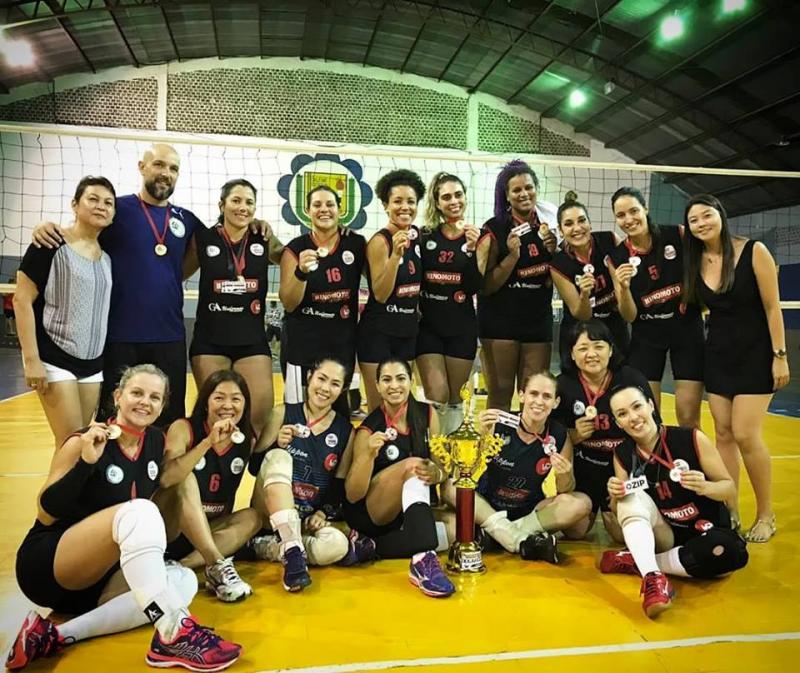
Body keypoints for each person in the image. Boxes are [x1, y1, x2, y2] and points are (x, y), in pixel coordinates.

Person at [6, 364, 241, 671]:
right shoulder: (85, 440)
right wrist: (85, 464)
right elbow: (47, 511)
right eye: (137, 393)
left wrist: (210, 440)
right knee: (141, 511)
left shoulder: (155, 442)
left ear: (162, 405)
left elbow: (175, 477)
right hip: (51, 566)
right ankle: (173, 632)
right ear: (118, 396)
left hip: (100, 581)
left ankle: (53, 635)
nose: (146, 402)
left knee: (181, 582)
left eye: (155, 397)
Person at [31, 145, 204, 426]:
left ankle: (161, 471)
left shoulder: (186, 219)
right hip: (118, 337)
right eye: (159, 164)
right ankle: (112, 471)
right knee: (113, 419)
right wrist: (47, 227)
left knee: (168, 420)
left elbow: (213, 246)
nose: (165, 173)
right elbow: (81, 233)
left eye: (173, 168)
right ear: (142, 166)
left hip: (169, 336)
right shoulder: (116, 209)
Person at [683, 194, 789, 542]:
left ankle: (765, 514)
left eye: (706, 215)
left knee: (745, 434)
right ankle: (730, 511)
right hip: (717, 356)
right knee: (724, 435)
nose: (701, 223)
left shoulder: (753, 251)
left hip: (756, 354)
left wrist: (780, 355)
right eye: (694, 219)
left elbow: (773, 308)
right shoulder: (694, 261)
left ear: (721, 215)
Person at [603, 385, 748, 618]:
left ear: (651, 405)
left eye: (637, 406)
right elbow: (620, 510)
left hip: (706, 531)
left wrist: (705, 486)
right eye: (622, 414)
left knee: (730, 554)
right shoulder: (623, 454)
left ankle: (640, 561)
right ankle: (652, 577)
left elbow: (728, 487)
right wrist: (616, 495)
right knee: (630, 497)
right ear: (618, 423)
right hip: (666, 534)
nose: (633, 418)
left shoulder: (690, 438)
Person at [246, 358, 369, 592]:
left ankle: (269, 547)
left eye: (334, 384)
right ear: (309, 377)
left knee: (337, 546)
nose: (324, 388)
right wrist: (275, 444)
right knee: (279, 458)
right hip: (268, 512)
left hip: (304, 522)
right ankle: (291, 549)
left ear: (342, 390)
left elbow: (338, 486)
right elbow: (255, 468)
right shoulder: (282, 413)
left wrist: (324, 512)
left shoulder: (345, 431)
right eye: (321, 379)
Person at [442, 371, 591, 563]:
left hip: (529, 511)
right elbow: (466, 473)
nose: (539, 401)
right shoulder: (498, 424)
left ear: (556, 402)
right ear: (521, 395)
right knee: (450, 486)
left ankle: (502, 536)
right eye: (533, 394)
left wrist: (563, 473)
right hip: (487, 507)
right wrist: (481, 436)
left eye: (547, 396)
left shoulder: (559, 436)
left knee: (582, 503)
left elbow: (565, 489)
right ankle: (521, 540)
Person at [14, 177, 115, 448]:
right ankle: (51, 493)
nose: (101, 206)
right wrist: (31, 359)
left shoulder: (106, 257)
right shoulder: (49, 243)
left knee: (82, 443)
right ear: (75, 204)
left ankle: (75, 492)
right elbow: (21, 300)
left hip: (92, 364)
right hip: (55, 359)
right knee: (69, 444)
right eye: (92, 199)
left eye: (108, 203)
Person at [343, 358, 455, 598]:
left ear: (411, 381)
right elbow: (353, 494)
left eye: (400, 378)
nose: (394, 385)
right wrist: (368, 456)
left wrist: (438, 473)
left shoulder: (427, 413)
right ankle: (423, 559)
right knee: (414, 466)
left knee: (456, 530)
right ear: (377, 385)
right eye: (386, 379)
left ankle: (372, 547)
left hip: (408, 514)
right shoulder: (368, 428)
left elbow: (443, 467)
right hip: (374, 512)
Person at [186, 178, 283, 436]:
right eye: (236, 200)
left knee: (259, 420)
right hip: (210, 342)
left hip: (251, 342)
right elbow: (177, 273)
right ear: (222, 204)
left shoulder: (263, 238)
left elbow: (290, 257)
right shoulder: (204, 239)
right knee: (214, 419)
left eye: (249, 202)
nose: (243, 207)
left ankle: (253, 471)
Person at [159, 369, 261, 603]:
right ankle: (216, 562)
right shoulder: (184, 428)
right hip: (172, 527)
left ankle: (181, 567)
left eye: (236, 399)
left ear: (245, 404)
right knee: (185, 476)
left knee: (253, 517)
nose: (228, 405)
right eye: (219, 398)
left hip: (207, 530)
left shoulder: (247, 439)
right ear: (205, 403)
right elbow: (167, 479)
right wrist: (207, 443)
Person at [608, 187, 704, 427]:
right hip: (647, 334)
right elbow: (629, 315)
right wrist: (624, 287)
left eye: (633, 211)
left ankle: (694, 463)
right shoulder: (617, 258)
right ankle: (655, 463)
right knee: (648, 415)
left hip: (686, 328)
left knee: (688, 415)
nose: (629, 220)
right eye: (621, 215)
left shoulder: (678, 235)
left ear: (645, 209)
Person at [554, 320, 656, 542]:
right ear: (571, 354)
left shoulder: (631, 379)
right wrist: (574, 434)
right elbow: (550, 440)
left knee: (620, 534)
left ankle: (620, 507)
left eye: (598, 346)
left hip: (622, 469)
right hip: (585, 469)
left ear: (611, 350)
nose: (591, 354)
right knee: (575, 530)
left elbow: (654, 431)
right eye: (582, 348)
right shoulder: (563, 385)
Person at [477, 160, 558, 411]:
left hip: (537, 321)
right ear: (507, 196)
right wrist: (511, 257)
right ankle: (494, 450)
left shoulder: (550, 227)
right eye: (517, 190)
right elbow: (486, 286)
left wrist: (555, 253)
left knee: (535, 397)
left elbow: (554, 275)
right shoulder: (494, 228)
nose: (524, 194)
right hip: (500, 322)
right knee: (500, 396)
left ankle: (529, 450)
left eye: (529, 187)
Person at [280, 186, 366, 412]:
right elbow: (288, 303)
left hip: (341, 344)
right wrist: (301, 272)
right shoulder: (295, 248)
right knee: (298, 414)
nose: (324, 209)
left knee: (338, 417)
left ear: (340, 210)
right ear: (307, 210)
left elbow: (378, 280)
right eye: (317, 205)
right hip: (302, 345)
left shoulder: (356, 244)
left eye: (330, 204)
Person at [417, 172, 490, 434]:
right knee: (438, 394)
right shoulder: (424, 237)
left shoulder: (479, 237)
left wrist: (471, 250)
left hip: (461, 327)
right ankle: (434, 456)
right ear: (437, 203)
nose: (453, 201)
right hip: (429, 328)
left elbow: (473, 287)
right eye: (446, 197)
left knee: (456, 399)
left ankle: (454, 464)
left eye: (458, 195)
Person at [357, 170, 425, 411]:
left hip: (407, 331)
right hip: (378, 333)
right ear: (386, 205)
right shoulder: (380, 241)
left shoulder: (418, 237)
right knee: (379, 408)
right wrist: (395, 256)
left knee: (402, 406)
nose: (404, 207)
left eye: (411, 201)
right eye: (397, 201)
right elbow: (381, 293)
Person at [550, 200, 628, 368]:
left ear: (590, 223)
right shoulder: (558, 264)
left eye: (582, 220)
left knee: (619, 382)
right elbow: (581, 314)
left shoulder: (610, 240)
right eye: (569, 224)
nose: (577, 228)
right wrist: (584, 293)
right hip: (579, 329)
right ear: (561, 231)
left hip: (614, 326)